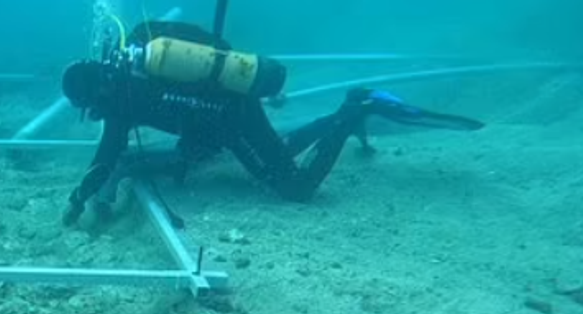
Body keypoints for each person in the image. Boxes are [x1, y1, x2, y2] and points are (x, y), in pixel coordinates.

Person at [60, 20, 485, 226]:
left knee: (293, 188)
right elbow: (217, 49)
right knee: (275, 148)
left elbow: (107, 156)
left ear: (94, 96)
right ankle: (348, 110)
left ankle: (358, 108)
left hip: (232, 117)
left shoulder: (120, 101)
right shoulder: (141, 46)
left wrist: (80, 198)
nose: (96, 116)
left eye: (90, 109)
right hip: (231, 107)